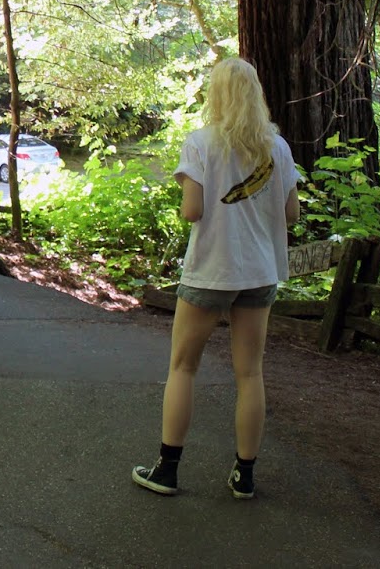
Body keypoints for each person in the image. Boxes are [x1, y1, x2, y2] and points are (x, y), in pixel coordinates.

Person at [132, 57, 300, 500]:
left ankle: (166, 472)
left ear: (217, 95)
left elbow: (192, 211)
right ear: (256, 94)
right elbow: (292, 214)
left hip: (211, 270)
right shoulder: (277, 150)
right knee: (250, 373)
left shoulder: (201, 143)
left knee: (183, 367)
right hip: (259, 272)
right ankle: (244, 476)